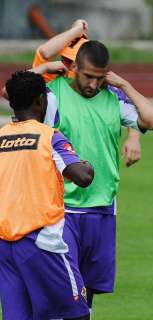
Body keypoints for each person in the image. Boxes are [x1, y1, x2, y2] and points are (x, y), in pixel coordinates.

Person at [31, 40, 153, 309]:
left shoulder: (114, 99)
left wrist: (123, 84)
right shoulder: (53, 95)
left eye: (99, 78)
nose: (92, 84)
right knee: (64, 289)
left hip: (103, 208)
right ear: (75, 68)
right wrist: (44, 67)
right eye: (88, 76)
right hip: (62, 209)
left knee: (88, 291)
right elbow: (11, 92)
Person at [0, 71, 94, 319]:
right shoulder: (49, 137)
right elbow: (83, 176)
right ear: (41, 101)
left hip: (4, 245)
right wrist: (87, 164)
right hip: (41, 242)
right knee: (77, 312)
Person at [32, 18, 142, 167]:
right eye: (66, 60)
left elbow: (125, 107)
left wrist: (133, 138)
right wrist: (76, 30)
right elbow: (44, 52)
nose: (69, 66)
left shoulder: (96, 81)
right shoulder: (50, 77)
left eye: (71, 61)